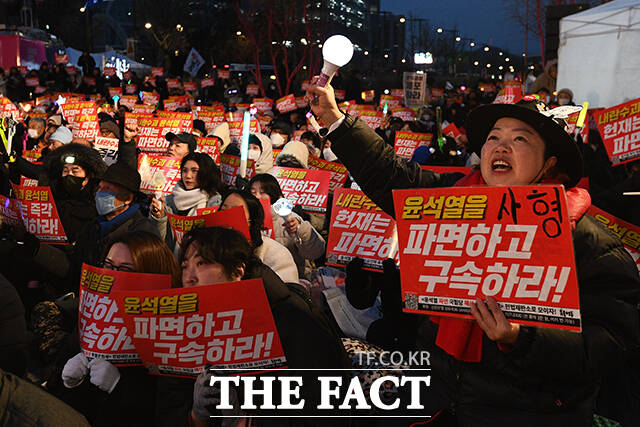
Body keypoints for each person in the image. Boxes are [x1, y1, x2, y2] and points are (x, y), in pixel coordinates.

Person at [305, 80, 640, 425]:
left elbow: (610, 346)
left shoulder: (590, 245)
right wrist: (335, 118)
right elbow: (390, 174)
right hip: (438, 403)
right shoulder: (450, 201)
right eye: (494, 137)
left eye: (520, 139)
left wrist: (521, 338)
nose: (501, 147)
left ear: (549, 162)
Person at [180, 227, 350, 426]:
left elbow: (325, 412)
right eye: (184, 266)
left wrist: (247, 422)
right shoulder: (188, 326)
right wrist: (196, 416)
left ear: (237, 271)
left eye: (201, 263)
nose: (189, 277)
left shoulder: (294, 319)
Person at [47, 231, 181, 427]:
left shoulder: (170, 332)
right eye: (108, 266)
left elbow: (164, 412)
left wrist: (118, 388)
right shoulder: (95, 314)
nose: (113, 276)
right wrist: (69, 382)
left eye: (126, 270)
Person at [249, 173, 325, 280]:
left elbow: (315, 252)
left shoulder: (289, 218)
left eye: (262, 192)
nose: (257, 196)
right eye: (252, 192)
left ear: (273, 194)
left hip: (292, 280)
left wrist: (300, 229)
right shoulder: (247, 219)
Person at [150, 152, 226, 255]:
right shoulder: (168, 201)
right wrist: (159, 217)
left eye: (194, 171)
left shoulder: (215, 203)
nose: (188, 176)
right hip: (170, 262)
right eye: (184, 171)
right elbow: (157, 240)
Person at [219, 190, 299, 283]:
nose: (227, 216)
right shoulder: (208, 249)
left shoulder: (274, 252)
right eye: (223, 210)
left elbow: (286, 292)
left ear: (252, 220)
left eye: (235, 212)